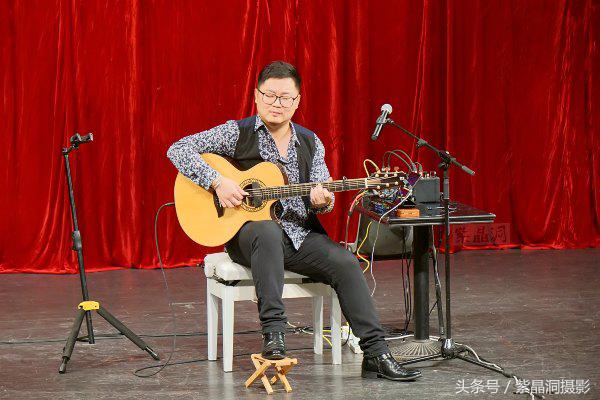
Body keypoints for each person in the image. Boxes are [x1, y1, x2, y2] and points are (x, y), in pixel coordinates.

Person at [167, 61, 421, 381]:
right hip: (249, 237)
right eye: (270, 95)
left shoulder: (310, 142)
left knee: (345, 262)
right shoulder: (237, 132)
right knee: (266, 230)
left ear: (297, 101)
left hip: (298, 236)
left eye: (285, 97)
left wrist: (323, 200)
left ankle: (376, 354)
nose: (277, 103)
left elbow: (323, 196)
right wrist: (218, 182)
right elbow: (178, 149)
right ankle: (274, 336)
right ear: (256, 96)